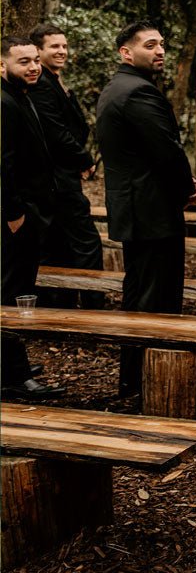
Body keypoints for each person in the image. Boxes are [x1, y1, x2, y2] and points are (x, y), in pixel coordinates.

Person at [96, 21, 196, 396]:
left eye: (162, 44)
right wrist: (187, 187)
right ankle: (149, 382)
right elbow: (166, 151)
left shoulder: (116, 89)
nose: (160, 51)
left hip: (136, 208)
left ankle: (134, 380)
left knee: (139, 295)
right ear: (127, 52)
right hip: (152, 212)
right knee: (157, 299)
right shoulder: (139, 93)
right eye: (150, 45)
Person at [1, 36, 66, 399]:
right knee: (10, 297)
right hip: (14, 220)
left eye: (33, 60)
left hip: (31, 215)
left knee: (19, 294)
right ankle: (13, 376)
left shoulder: (20, 98)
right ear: (2, 66)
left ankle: (13, 366)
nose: (32, 67)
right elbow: (3, 164)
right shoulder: (4, 103)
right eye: (22, 62)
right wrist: (13, 215)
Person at [28, 23, 104, 307]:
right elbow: (56, 131)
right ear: (38, 50)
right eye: (54, 47)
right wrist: (84, 160)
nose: (62, 51)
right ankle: (94, 306)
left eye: (64, 46)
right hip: (57, 178)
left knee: (63, 242)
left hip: (65, 175)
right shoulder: (41, 85)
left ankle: (64, 303)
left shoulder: (56, 80)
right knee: (86, 243)